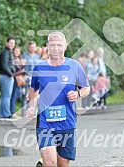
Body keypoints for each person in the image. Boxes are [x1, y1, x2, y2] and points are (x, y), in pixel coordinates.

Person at [26, 32, 90, 166]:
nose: (56, 48)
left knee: (63, 164)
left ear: (65, 46)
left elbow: (86, 88)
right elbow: (33, 89)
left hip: (67, 122)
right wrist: (31, 107)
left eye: (59, 45)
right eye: (52, 45)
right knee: (50, 164)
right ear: (47, 47)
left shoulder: (74, 66)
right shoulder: (39, 68)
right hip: (45, 123)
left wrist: (77, 94)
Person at [0, 37, 16, 121]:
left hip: (4, 75)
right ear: (7, 43)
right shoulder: (6, 52)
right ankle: (6, 114)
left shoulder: (8, 52)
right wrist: (11, 74)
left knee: (4, 95)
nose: (12, 44)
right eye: (10, 43)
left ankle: (2, 114)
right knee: (7, 96)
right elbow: (5, 65)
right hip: (6, 76)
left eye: (13, 43)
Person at [10, 47, 27, 118]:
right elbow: (13, 70)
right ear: (13, 51)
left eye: (18, 51)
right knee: (13, 96)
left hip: (20, 80)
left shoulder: (21, 60)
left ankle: (12, 111)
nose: (17, 52)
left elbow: (23, 69)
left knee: (16, 95)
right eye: (15, 51)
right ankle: (12, 112)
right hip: (14, 79)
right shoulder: (12, 60)